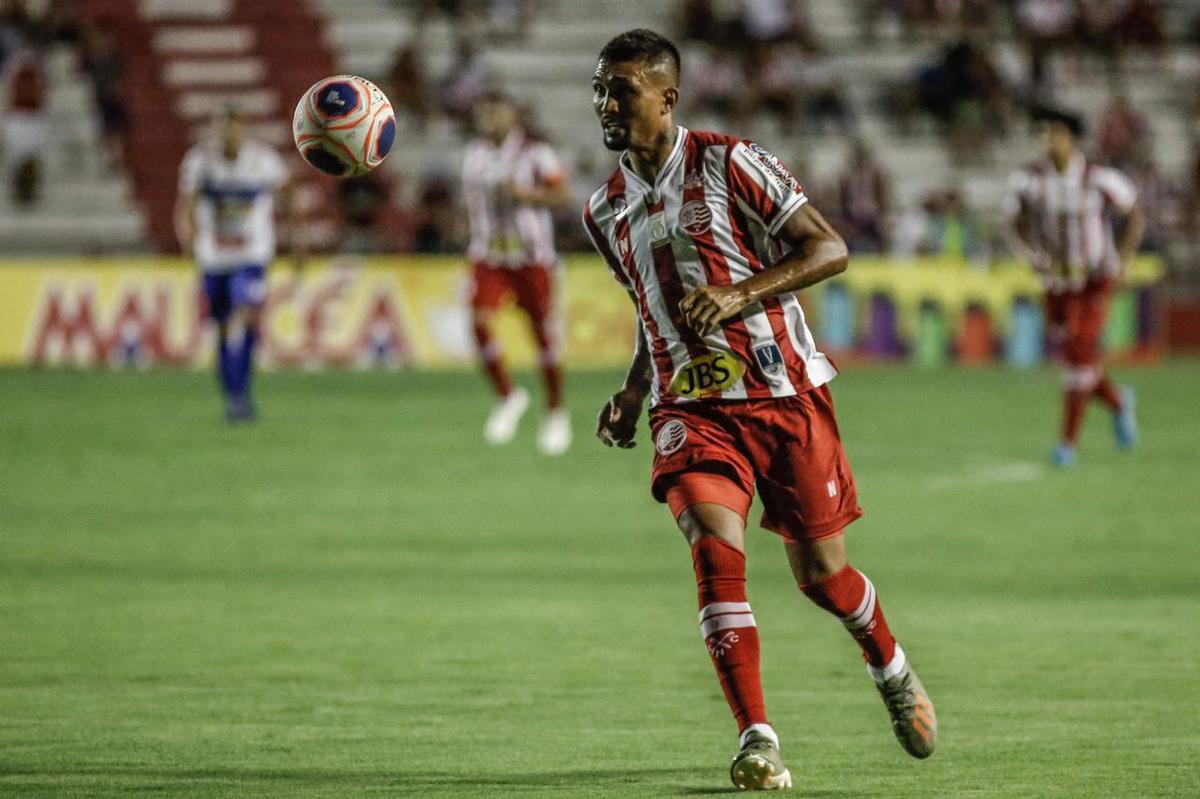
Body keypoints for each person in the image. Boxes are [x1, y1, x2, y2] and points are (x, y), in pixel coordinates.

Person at [583, 29, 936, 791]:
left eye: (622, 91)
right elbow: (651, 309)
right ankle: (758, 738)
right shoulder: (603, 209)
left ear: (667, 98)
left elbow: (829, 248)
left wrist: (739, 294)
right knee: (712, 545)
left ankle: (889, 662)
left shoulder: (730, 162)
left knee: (822, 576)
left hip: (782, 396)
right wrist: (635, 392)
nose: (606, 105)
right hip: (691, 407)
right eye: (600, 91)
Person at [1004, 107, 1143, 468]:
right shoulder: (1030, 180)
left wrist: (1125, 259)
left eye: (1055, 135)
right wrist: (1029, 254)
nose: (1048, 142)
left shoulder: (1098, 178)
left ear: (1071, 139)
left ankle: (1067, 444)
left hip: (1094, 279)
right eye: (1044, 135)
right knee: (1077, 358)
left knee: (1078, 356)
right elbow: (1011, 221)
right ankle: (1118, 402)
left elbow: (1134, 215)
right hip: (1056, 283)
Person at [174, 107, 302, 423]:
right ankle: (235, 392)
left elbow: (289, 197)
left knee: (243, 315)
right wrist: (187, 235)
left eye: (233, 127)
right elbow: (185, 203)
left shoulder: (263, 161)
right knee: (222, 327)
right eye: (222, 128)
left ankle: (239, 396)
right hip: (214, 257)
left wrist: (297, 242)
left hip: (252, 256)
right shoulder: (199, 161)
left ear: (243, 128)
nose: (228, 134)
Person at [461, 90, 572, 455]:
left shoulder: (536, 153)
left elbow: (563, 196)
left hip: (532, 259)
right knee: (478, 322)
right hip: (490, 256)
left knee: (543, 338)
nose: (489, 119)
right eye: (485, 113)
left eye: (496, 112)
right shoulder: (474, 154)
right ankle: (508, 396)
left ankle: (555, 411)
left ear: (512, 116)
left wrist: (526, 195)